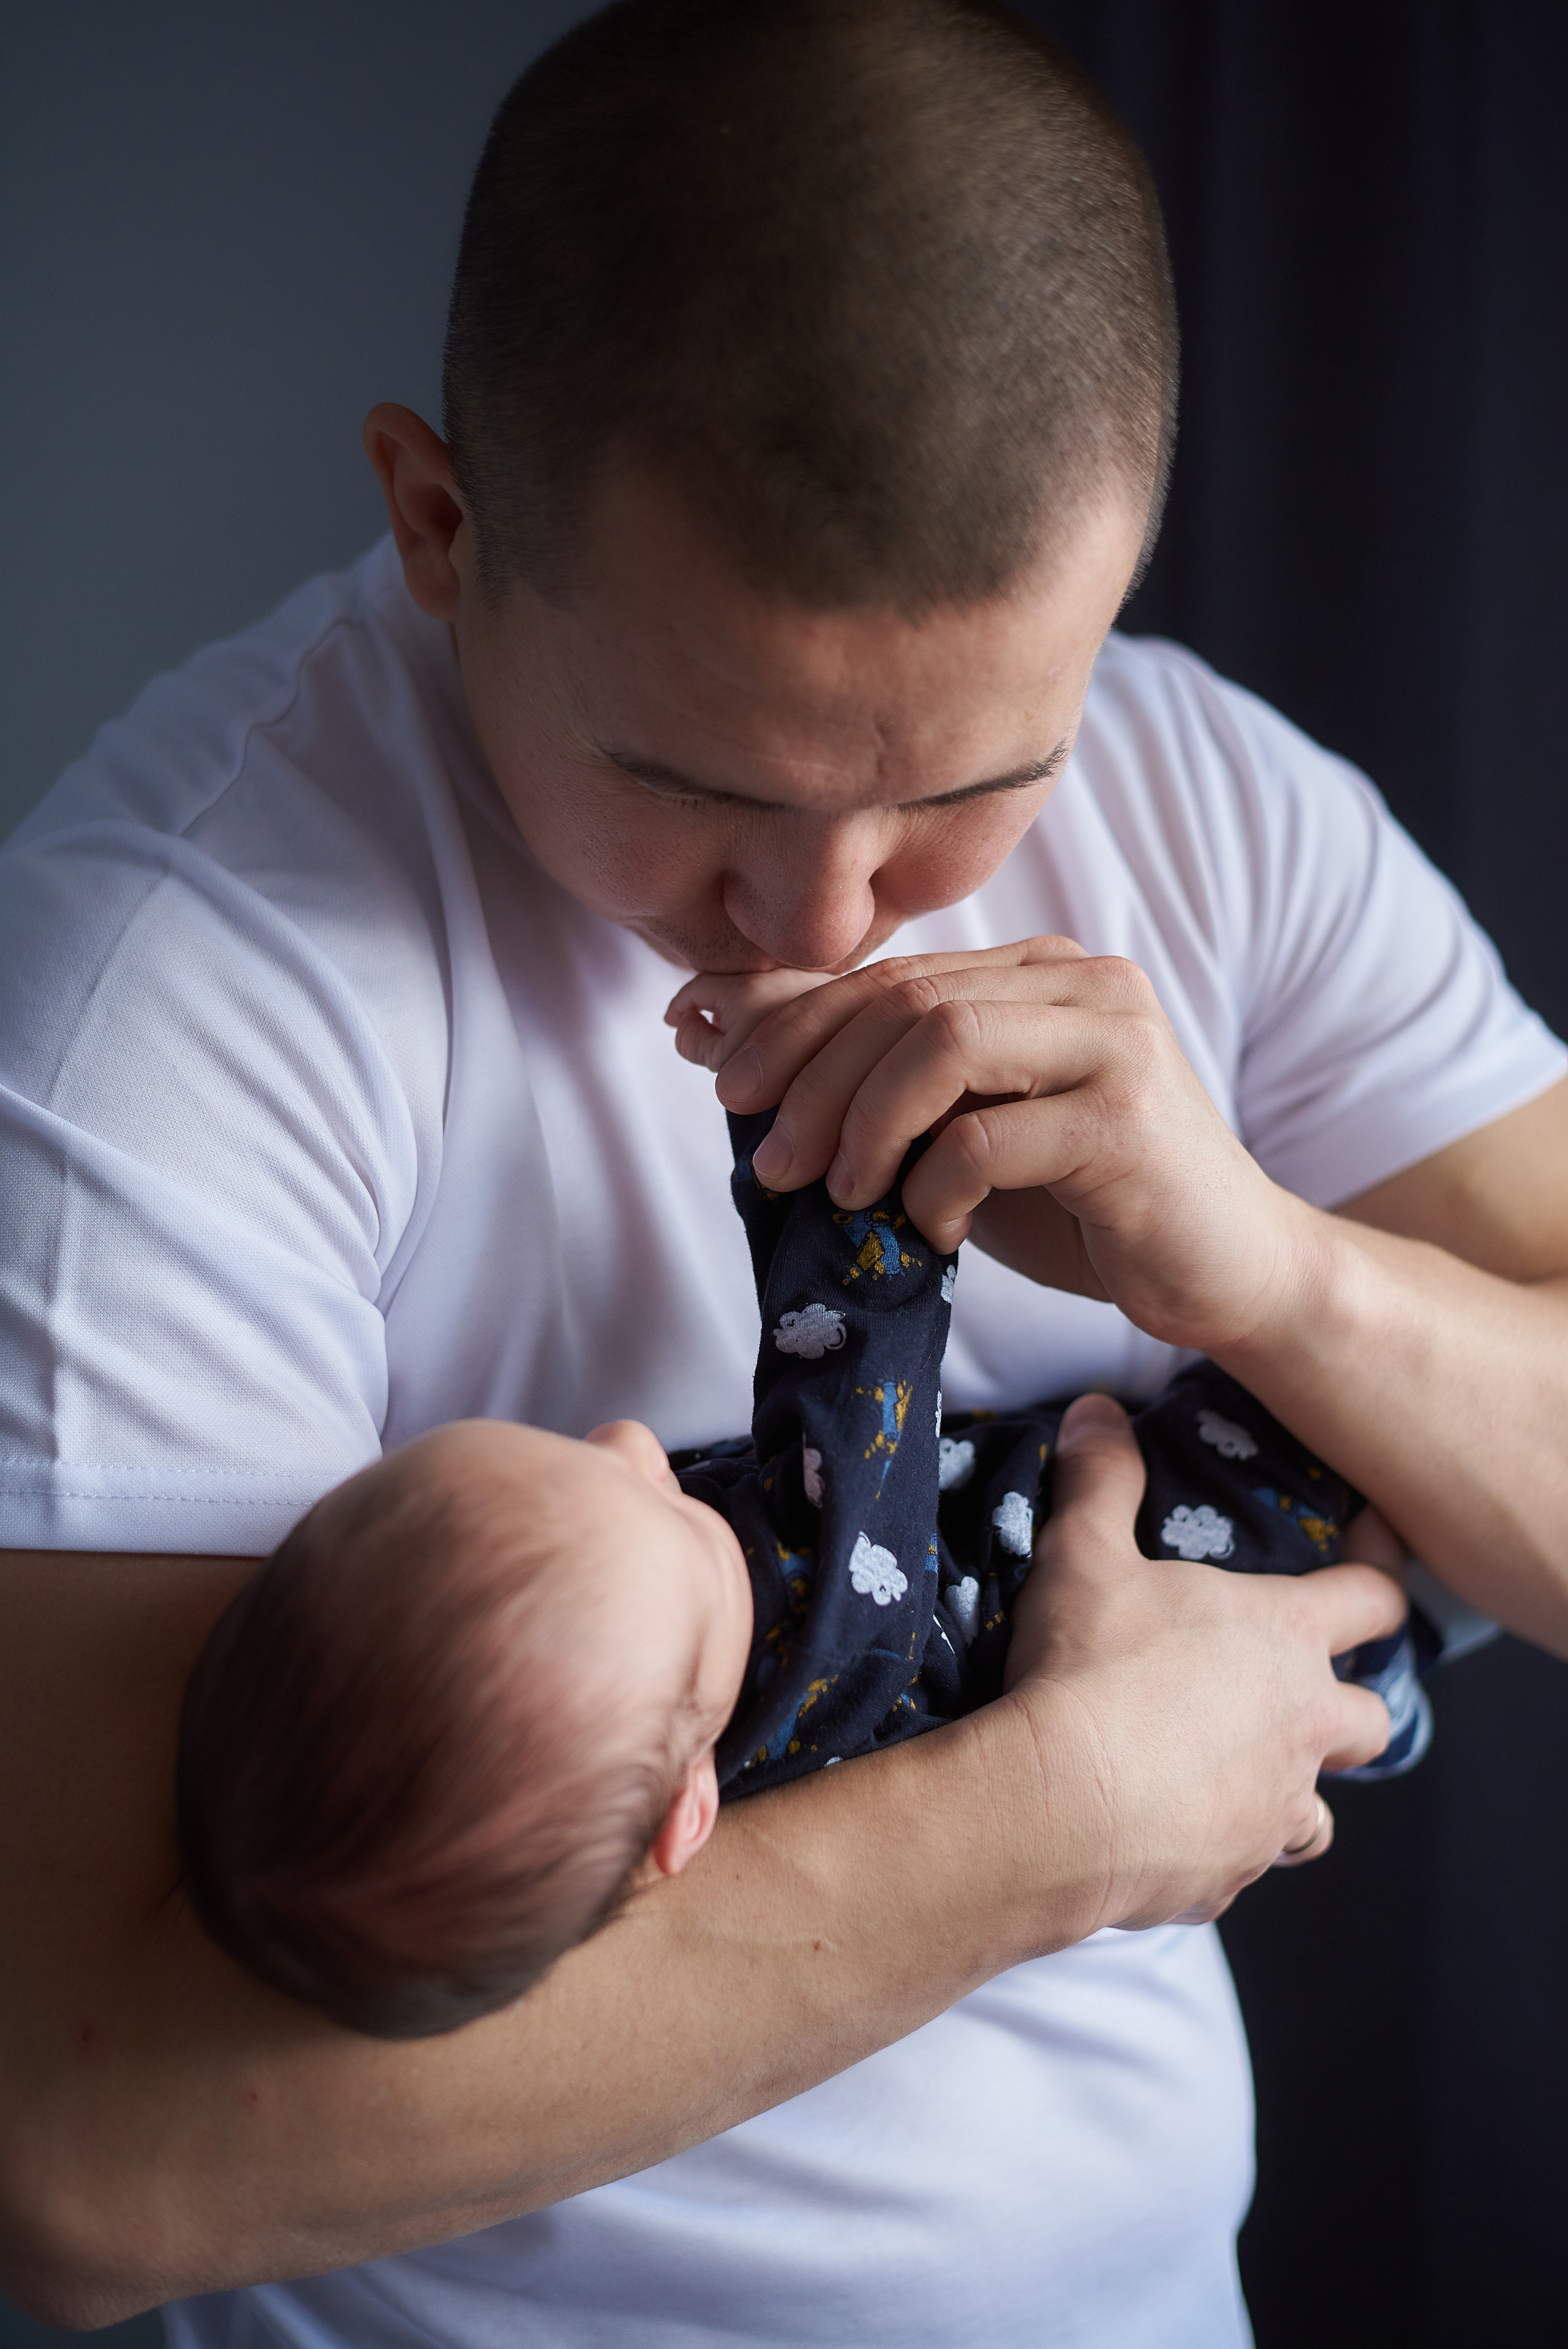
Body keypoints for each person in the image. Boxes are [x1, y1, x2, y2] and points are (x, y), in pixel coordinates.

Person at [3, 2, 1567, 2343]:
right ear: (440, 524)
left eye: (968, 783)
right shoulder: (174, 977)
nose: (832, 920)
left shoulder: (1224, 805)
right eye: (703, 786)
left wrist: (1262, 1267)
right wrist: (1060, 1825)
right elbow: (80, 2154)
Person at [176, 1119, 1428, 2048]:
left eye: (562, 1460)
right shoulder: (822, 1610)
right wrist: (806, 1117)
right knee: (1344, 1373)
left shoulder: (669, 1735)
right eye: (638, 1501)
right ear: (683, 1822)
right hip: (1243, 1558)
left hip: (1212, 1616)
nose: (623, 1444)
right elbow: (852, 1336)